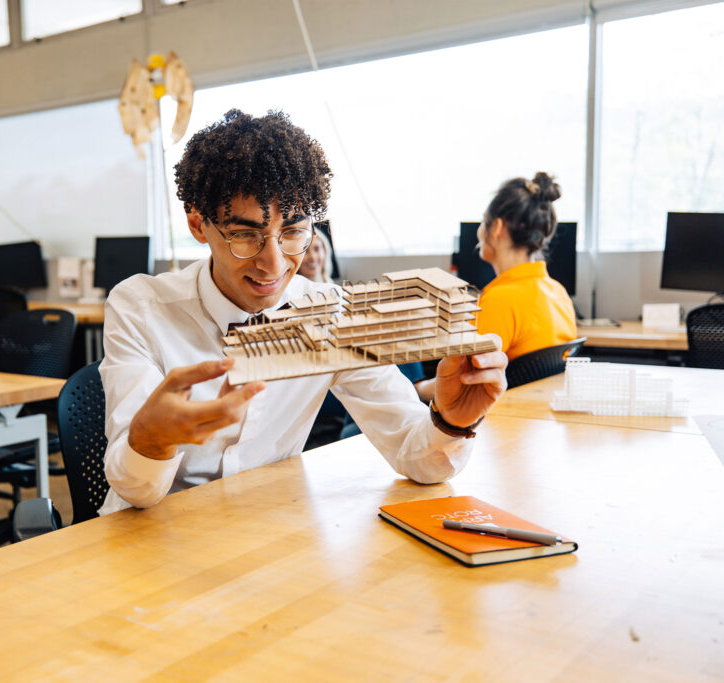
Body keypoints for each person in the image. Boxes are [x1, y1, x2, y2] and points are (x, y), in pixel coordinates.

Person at [98, 109, 507, 514]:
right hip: (150, 541)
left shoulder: (332, 313)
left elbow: (414, 455)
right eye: (244, 235)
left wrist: (451, 422)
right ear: (196, 223)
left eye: (293, 231)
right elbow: (136, 492)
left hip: (265, 537)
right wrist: (150, 439)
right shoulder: (140, 308)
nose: (274, 266)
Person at [473, 172, 577, 361]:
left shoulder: (498, 301)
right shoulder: (558, 293)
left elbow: (463, 383)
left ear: (496, 227)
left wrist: (416, 387)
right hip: (542, 392)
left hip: (507, 392)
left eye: (482, 221)